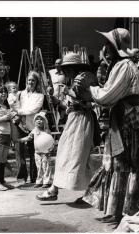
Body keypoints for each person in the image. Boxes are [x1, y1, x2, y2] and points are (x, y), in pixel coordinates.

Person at [82, 28, 139, 225]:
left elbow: (106, 96)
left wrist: (90, 88)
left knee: (126, 164)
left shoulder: (124, 66)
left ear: (115, 47)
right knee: (117, 164)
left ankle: (126, 211)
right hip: (124, 117)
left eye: (108, 45)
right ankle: (116, 210)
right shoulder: (119, 65)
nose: (104, 49)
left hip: (128, 120)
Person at [36, 52, 97, 201]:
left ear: (74, 67)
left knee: (79, 155)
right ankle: (54, 189)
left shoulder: (81, 79)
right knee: (66, 153)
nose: (65, 71)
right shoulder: (72, 82)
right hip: (74, 119)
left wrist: (70, 94)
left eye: (68, 68)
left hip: (82, 121)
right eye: (65, 68)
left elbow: (89, 100)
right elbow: (70, 105)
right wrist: (57, 100)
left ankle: (89, 193)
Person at [15, 71, 44, 185]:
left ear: (36, 82)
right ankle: (22, 177)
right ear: (26, 81)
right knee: (19, 152)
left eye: (33, 80)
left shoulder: (40, 96)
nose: (31, 82)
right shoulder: (20, 94)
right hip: (20, 126)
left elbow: (34, 109)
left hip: (33, 127)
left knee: (34, 152)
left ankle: (34, 177)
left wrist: (20, 111)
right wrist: (17, 112)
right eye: (29, 80)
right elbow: (14, 105)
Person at [18, 112, 55, 188]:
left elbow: (51, 141)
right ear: (34, 122)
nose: (39, 121)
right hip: (37, 152)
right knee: (39, 167)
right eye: (37, 119)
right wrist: (20, 140)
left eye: (41, 119)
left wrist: (51, 148)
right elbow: (29, 138)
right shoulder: (34, 130)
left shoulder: (47, 131)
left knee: (46, 167)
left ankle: (47, 181)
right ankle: (39, 181)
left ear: (45, 121)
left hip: (46, 153)